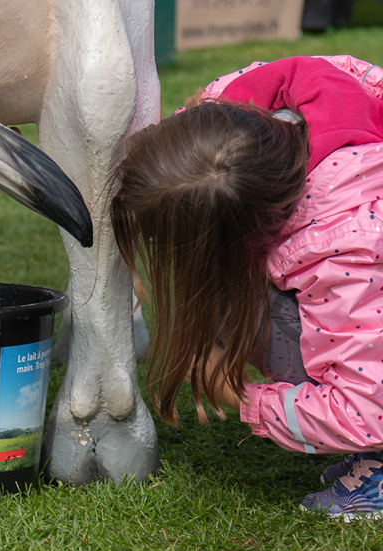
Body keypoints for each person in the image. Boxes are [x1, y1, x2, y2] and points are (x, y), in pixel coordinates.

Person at [111, 54, 383, 521]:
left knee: (266, 317)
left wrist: (240, 395)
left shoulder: (344, 251)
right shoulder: (248, 111)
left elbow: (364, 410)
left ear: (244, 228)